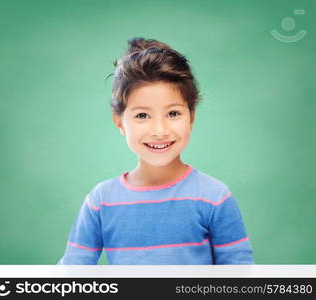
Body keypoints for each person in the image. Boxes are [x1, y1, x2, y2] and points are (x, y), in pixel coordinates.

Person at [58, 37, 254, 265]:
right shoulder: (102, 201)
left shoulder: (214, 197)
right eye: (142, 115)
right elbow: (73, 272)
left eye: (173, 114)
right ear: (120, 122)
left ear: (191, 117)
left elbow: (239, 274)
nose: (159, 131)